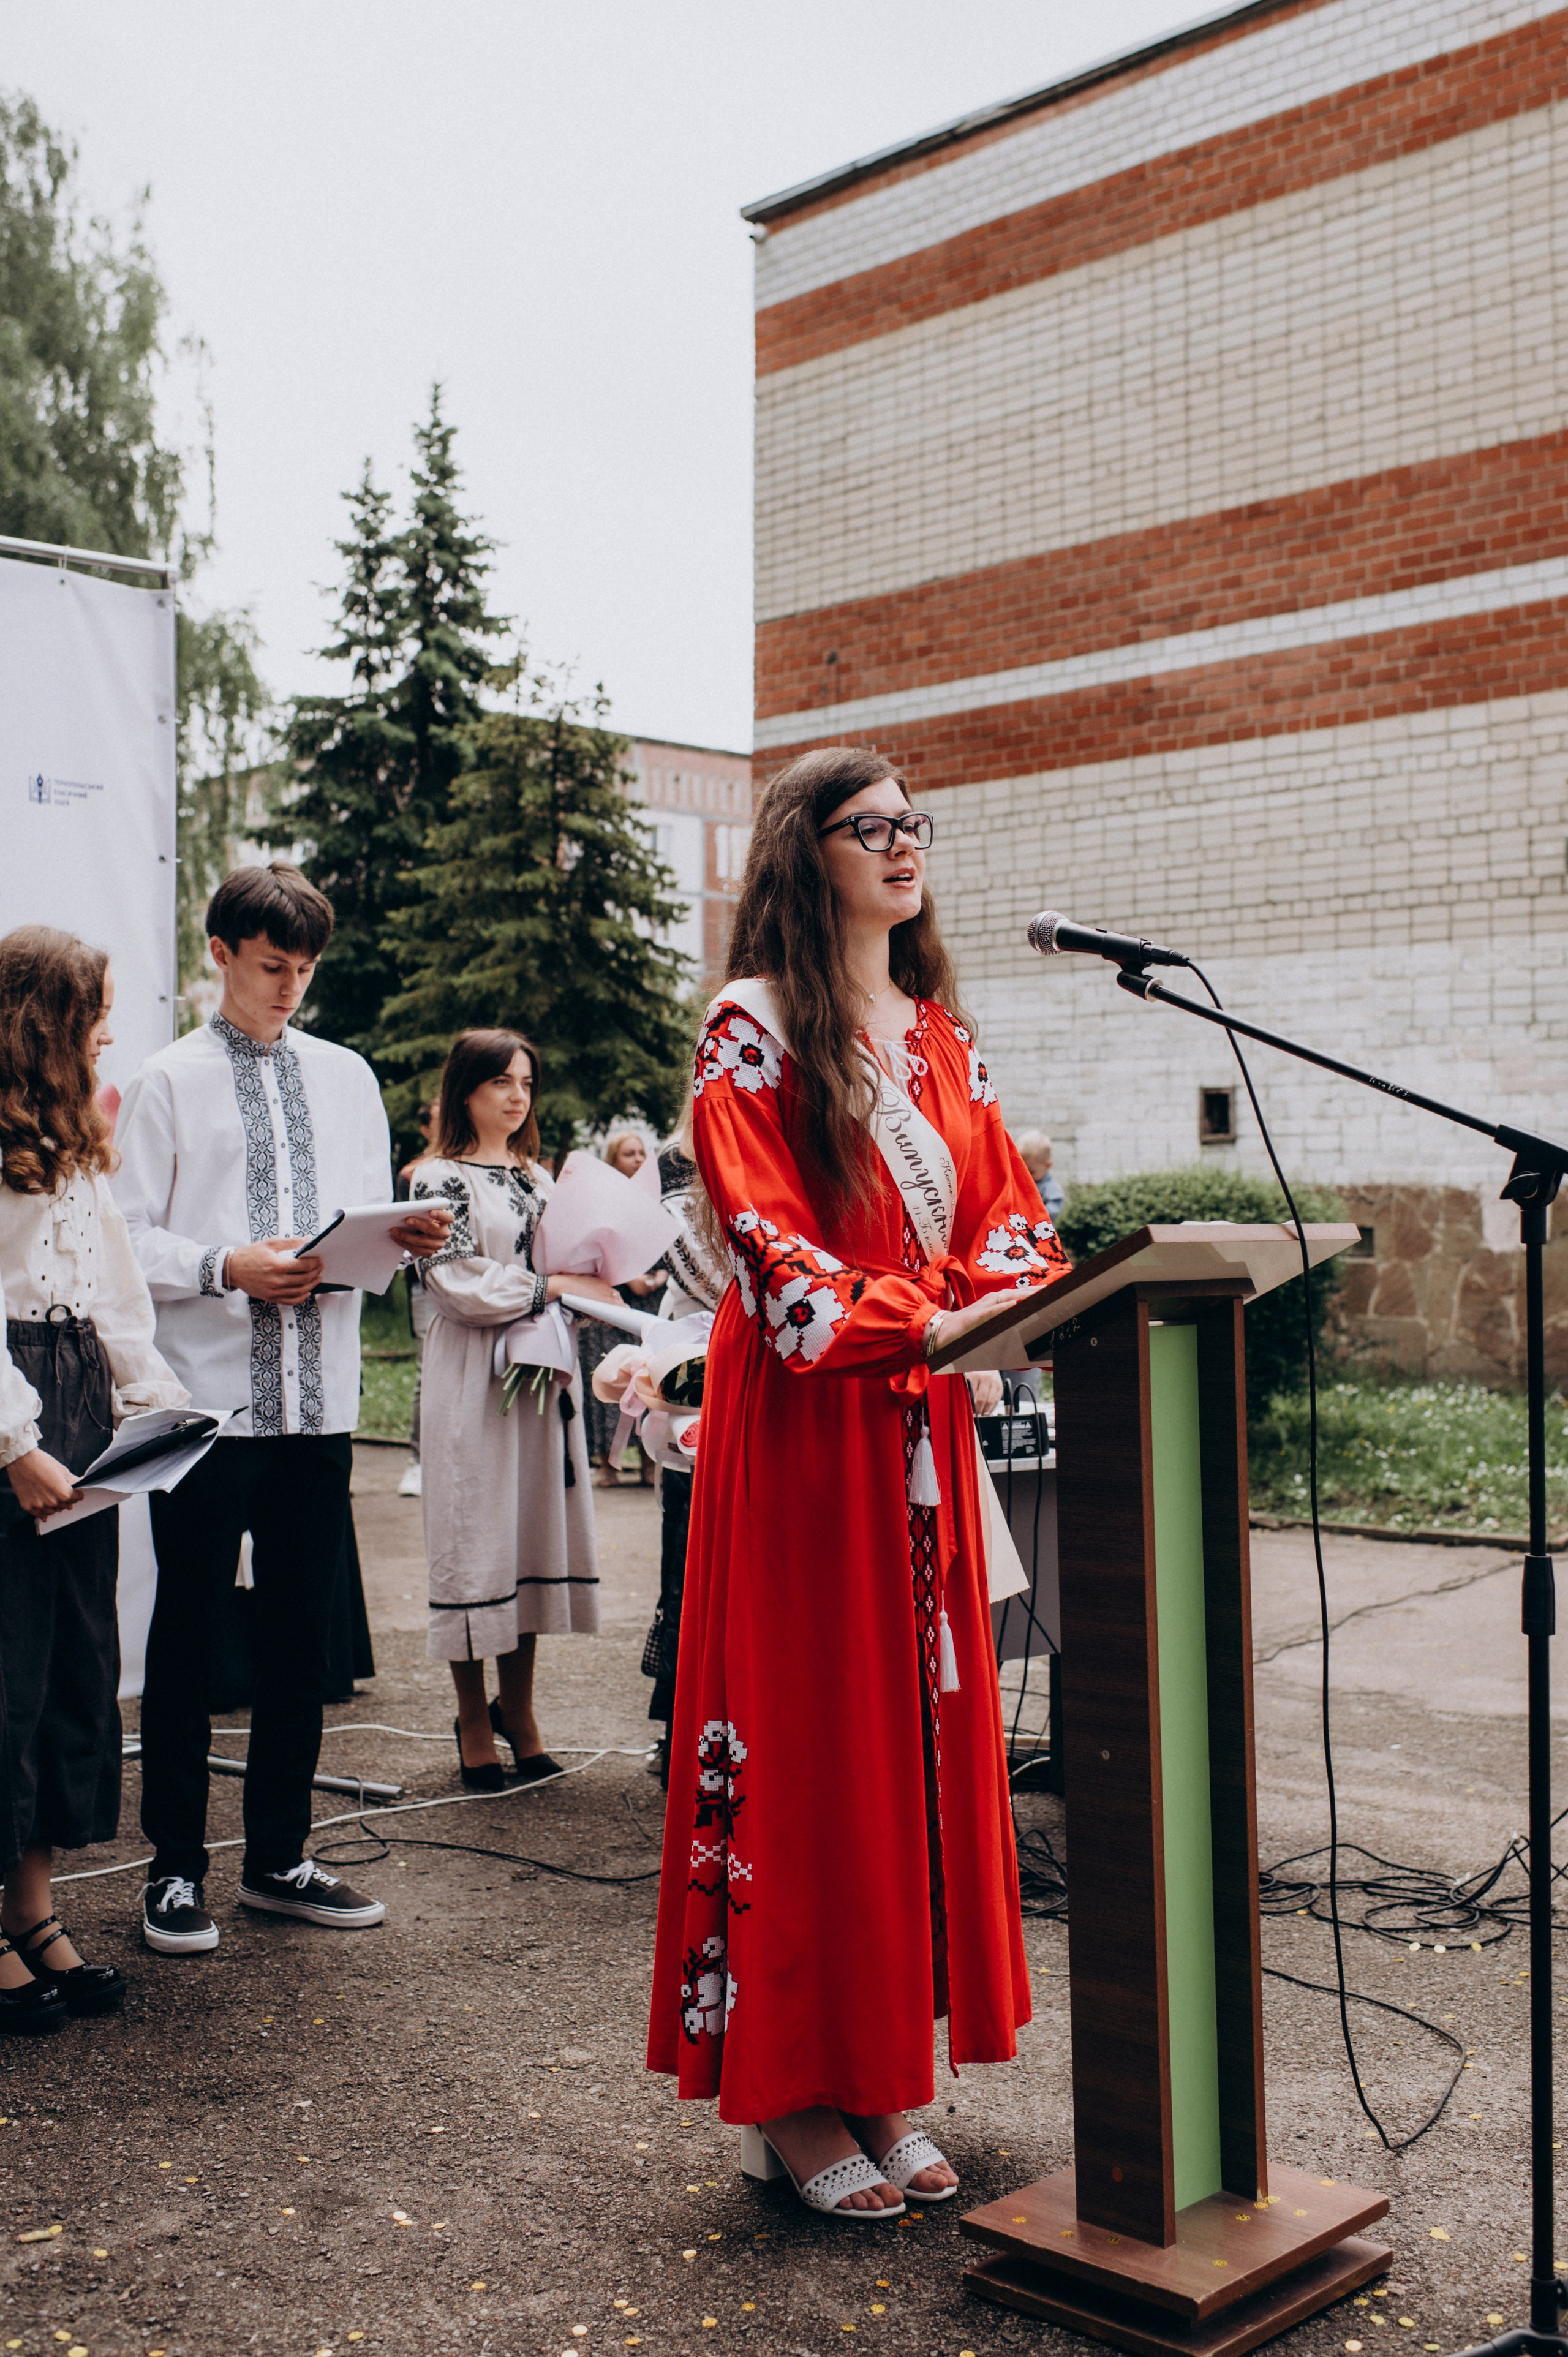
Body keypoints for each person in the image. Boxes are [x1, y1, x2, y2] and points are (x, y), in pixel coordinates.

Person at [646, 746, 1069, 2220]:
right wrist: (922, 1314)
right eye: (867, 825)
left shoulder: (939, 1037)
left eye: (912, 823)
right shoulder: (749, 1029)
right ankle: (785, 2090)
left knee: (904, 1749)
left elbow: (1015, 1218)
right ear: (801, 851)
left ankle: (881, 2068)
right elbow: (771, 1249)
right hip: (809, 1431)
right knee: (811, 1738)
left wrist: (971, 1304)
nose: (901, 844)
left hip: (919, 1427)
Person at [113, 863, 451, 1955]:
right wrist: (228, 1264)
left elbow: (355, 1220)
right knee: (190, 1635)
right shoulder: (164, 1080)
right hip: (206, 1405)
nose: (291, 987)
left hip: (318, 1398)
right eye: (271, 966)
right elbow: (125, 1239)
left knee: (302, 1638)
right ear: (219, 952)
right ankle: (171, 1867)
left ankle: (279, 1858)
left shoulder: (347, 1074)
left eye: (305, 968)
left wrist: (399, 1238)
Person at [0, 927, 188, 2024]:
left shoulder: (75, 1138)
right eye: (98, 1011)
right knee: (5, 1671)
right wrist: (14, 1442)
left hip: (72, 1390)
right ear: (46, 1019)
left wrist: (157, 1406)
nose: (112, 1030)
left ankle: (34, 1907)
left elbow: (115, 1295)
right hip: (15, 1406)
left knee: (73, 1668)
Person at [410, 1030, 615, 1789]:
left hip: (542, 1371)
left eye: (526, 1081)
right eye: (500, 1080)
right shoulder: (437, 1178)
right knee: (474, 1535)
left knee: (529, 1536)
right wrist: (556, 1289)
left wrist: (599, 1285)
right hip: (471, 1369)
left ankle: (519, 1711)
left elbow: (571, 1264)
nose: (517, 1095)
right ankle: (472, 1717)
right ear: (464, 1087)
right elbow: (457, 1283)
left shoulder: (539, 1175)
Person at [580, 1128, 663, 1488]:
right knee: (610, 1376)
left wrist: (657, 1278)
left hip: (650, 1299)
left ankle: (649, 1463)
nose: (638, 1159)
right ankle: (607, 1465)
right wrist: (628, 1278)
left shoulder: (652, 1199)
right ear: (613, 1159)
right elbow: (596, 1245)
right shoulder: (602, 1198)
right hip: (613, 1299)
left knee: (648, 1379)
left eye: (642, 1152)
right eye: (629, 1153)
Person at [394, 1102, 435, 1501]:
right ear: (425, 1129)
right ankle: (418, 1460)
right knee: (428, 1373)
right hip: (425, 1287)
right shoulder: (412, 1174)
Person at [1013, 1129, 1065, 1220]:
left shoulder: (1051, 1188)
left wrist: (1033, 1215)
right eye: (1023, 1171)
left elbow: (1053, 1211)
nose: (1027, 1177)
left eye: (1031, 1172)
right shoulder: (1020, 1183)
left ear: (1047, 1165)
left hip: (1041, 1230)